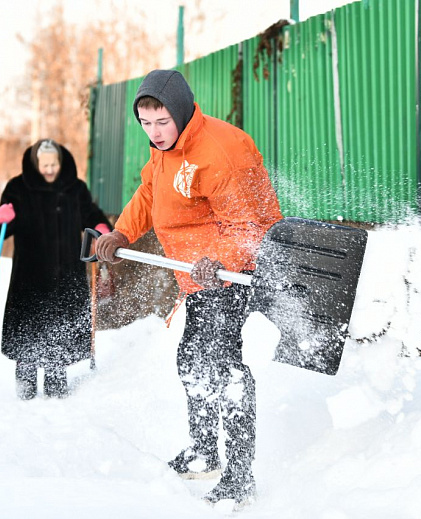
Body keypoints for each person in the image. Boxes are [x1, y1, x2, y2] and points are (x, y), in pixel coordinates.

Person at [95, 70, 283, 508]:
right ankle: (204, 451)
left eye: (162, 122)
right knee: (192, 360)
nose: (154, 132)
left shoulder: (219, 152)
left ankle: (240, 476)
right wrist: (122, 233)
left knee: (222, 366)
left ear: (179, 113)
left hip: (236, 271)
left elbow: (249, 227)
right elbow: (150, 194)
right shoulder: (166, 151)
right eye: (146, 123)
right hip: (199, 274)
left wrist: (221, 262)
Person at [0, 139, 112, 400]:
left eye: (53, 164)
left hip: (65, 273)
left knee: (60, 329)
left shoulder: (74, 188)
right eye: (44, 165)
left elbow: (90, 214)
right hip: (30, 274)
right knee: (28, 331)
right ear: (36, 164)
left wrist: (101, 227)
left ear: (60, 162)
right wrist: (1, 218)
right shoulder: (17, 188)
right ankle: (25, 388)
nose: (49, 170)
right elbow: (1, 228)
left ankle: (57, 389)